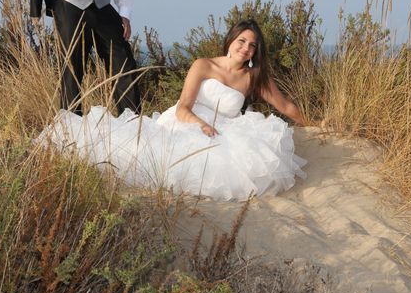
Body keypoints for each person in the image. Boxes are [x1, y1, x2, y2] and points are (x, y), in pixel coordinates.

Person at [41, 19, 307, 201]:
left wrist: (313, 122)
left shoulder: (254, 76)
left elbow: (284, 105)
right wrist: (200, 125)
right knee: (143, 154)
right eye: (242, 41)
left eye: (252, 45)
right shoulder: (204, 65)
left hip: (226, 128)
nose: (246, 48)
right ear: (230, 41)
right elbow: (183, 108)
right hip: (186, 122)